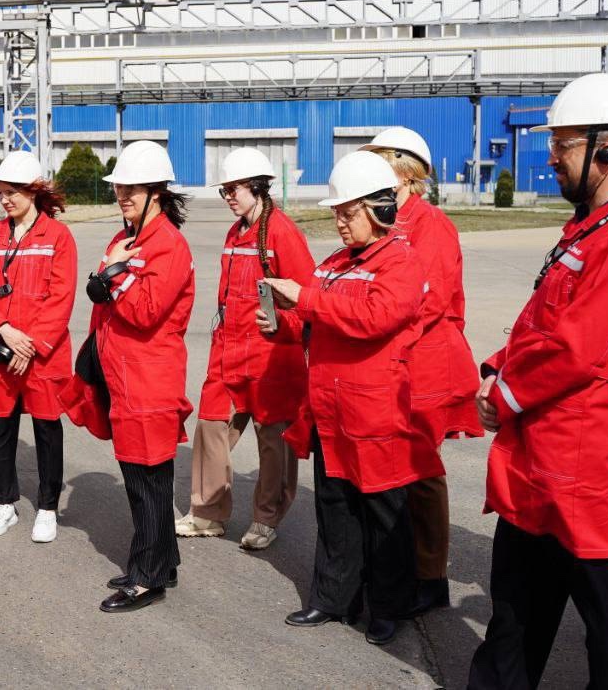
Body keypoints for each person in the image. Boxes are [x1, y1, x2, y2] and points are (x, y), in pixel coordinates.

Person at [467, 73, 608, 690]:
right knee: (516, 600)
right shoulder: (597, 223)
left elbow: (577, 346)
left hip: (586, 455)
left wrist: (505, 395)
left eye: (562, 144)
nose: (551, 157)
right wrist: (500, 366)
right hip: (549, 447)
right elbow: (547, 319)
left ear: (607, 149)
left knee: (606, 614)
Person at [272, 150, 434, 647]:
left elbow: (374, 319)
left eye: (348, 213)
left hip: (374, 410)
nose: (340, 223)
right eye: (337, 214)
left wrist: (303, 299)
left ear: (380, 209)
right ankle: (332, 598)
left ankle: (389, 606)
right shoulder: (335, 264)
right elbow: (316, 316)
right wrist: (284, 322)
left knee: (383, 511)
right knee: (335, 507)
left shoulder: (401, 261)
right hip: (330, 408)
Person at [65, 140, 195, 613]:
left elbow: (144, 312)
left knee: (148, 482)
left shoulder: (169, 245)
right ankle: (161, 561)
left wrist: (114, 273)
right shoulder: (128, 239)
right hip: (124, 376)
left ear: (157, 192)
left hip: (149, 379)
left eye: (131, 189)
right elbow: (105, 299)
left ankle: (147, 578)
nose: (122, 195)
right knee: (142, 477)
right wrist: (109, 272)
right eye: (119, 188)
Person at [361, 128, 482, 614]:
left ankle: (430, 576)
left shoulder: (430, 224)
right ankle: (398, 563)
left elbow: (428, 300)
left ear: (405, 171)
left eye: (380, 162)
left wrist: (378, 331)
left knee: (421, 469)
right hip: (393, 356)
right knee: (395, 466)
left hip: (425, 361)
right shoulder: (384, 218)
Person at [176, 147, 313, 550]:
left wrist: (283, 325)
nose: (228, 197)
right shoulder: (235, 233)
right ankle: (207, 513)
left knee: (273, 441)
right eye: (225, 190)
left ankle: (266, 519)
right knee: (211, 426)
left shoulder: (283, 233)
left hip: (273, 356)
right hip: (229, 351)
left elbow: (307, 301)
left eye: (234, 189)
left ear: (257, 187)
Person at [0, 151, 77, 543]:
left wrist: (30, 346)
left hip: (42, 355)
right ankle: (5, 503)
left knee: (47, 429)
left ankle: (47, 508)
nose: (5, 200)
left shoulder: (58, 237)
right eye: (0, 192)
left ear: (33, 191)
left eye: (12, 192)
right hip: (1, 349)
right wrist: (3, 331)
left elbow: (61, 297)